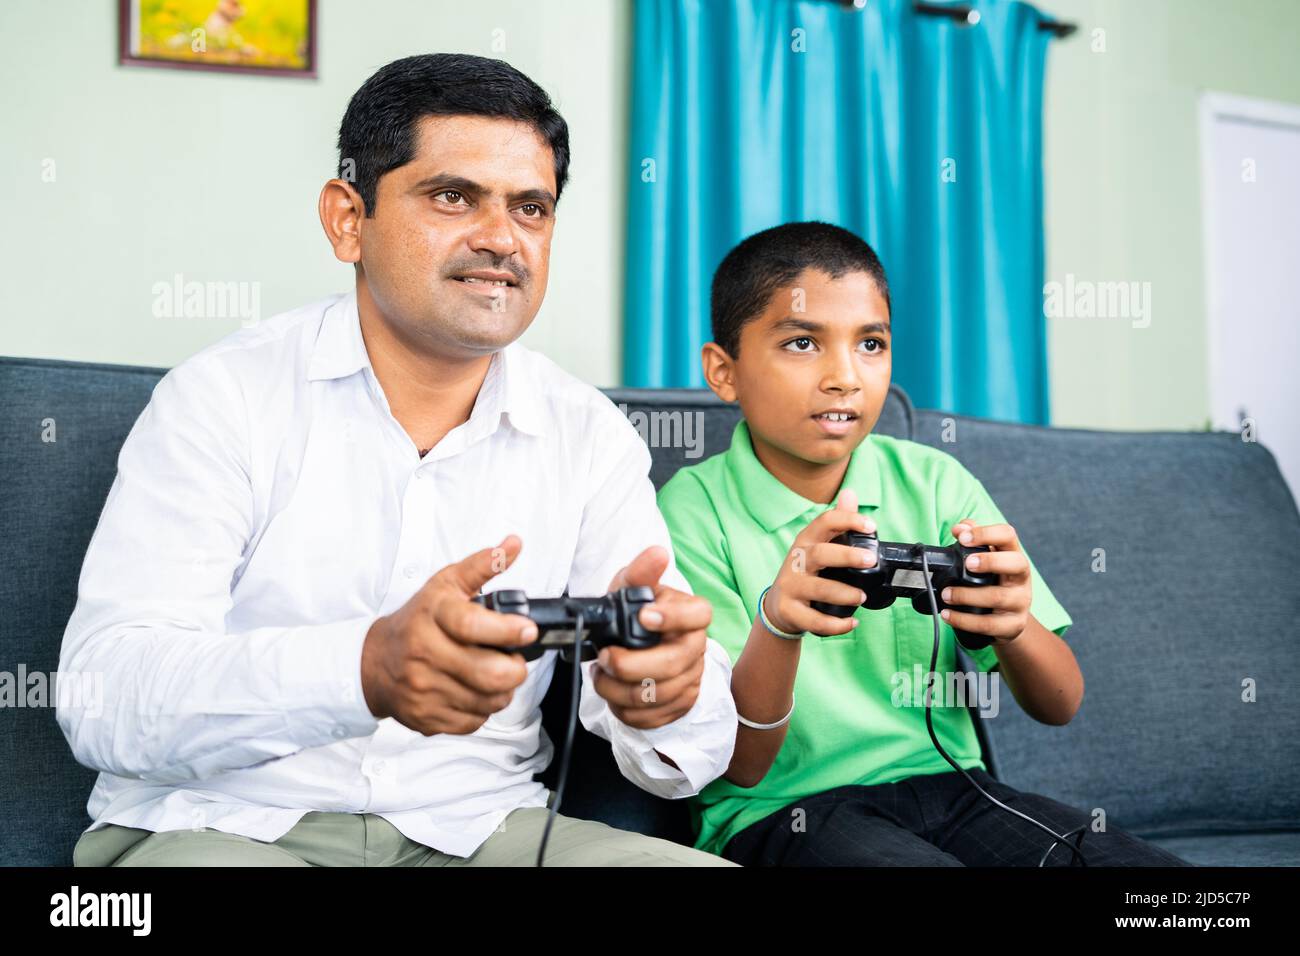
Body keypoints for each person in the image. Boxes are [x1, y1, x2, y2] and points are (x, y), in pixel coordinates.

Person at [59, 53, 737, 868]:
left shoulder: (590, 435)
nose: (500, 239)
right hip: (223, 825)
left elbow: (683, 757)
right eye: (453, 196)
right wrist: (364, 668)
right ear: (349, 218)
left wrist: (663, 695)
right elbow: (104, 695)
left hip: (483, 831)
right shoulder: (221, 397)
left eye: (531, 208)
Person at [656, 221, 1189, 866]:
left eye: (871, 343)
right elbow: (740, 765)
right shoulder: (691, 511)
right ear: (724, 371)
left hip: (955, 791)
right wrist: (779, 623)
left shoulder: (935, 483)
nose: (844, 376)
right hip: (782, 812)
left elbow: (1060, 704)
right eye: (802, 342)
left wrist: (1016, 627)